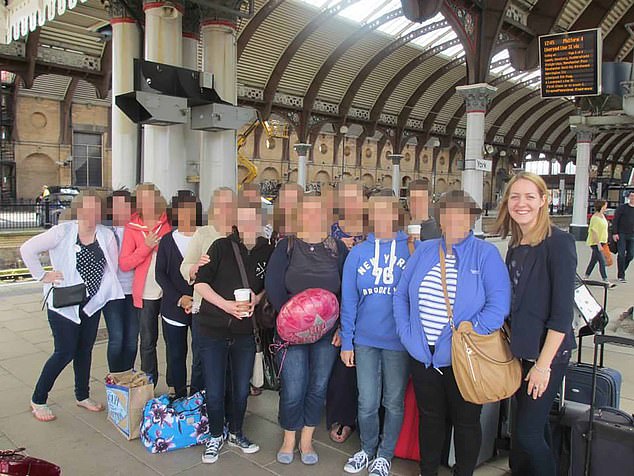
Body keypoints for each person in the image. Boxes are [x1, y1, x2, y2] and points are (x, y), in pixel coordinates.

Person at [394, 190, 510, 476]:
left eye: (462, 214)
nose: (455, 220)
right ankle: (428, 470)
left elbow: (499, 305)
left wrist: (476, 327)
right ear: (440, 218)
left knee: (467, 422)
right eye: (448, 213)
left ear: (472, 219)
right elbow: (400, 295)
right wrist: (408, 336)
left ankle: (464, 472)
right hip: (424, 356)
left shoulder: (485, 255)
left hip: (464, 359)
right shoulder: (424, 250)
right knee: (430, 418)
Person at [494, 171, 577, 476]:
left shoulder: (559, 243)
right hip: (522, 350)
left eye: (529, 196)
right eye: (515, 196)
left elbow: (562, 315)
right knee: (529, 430)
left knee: (527, 435)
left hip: (548, 355)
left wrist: (543, 366)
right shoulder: (517, 245)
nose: (521, 203)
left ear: (544, 200)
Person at [20, 190, 124, 422]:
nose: (91, 214)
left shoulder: (105, 235)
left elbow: (111, 269)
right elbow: (27, 249)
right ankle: (38, 398)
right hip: (64, 304)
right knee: (64, 351)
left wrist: (100, 298)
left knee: (84, 350)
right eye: (86, 209)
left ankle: (82, 395)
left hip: (91, 304)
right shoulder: (63, 231)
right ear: (78, 210)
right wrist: (42, 276)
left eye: (96, 209)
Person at [265, 195, 348, 465]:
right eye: (307, 212)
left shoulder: (336, 248)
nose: (313, 217)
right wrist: (294, 320)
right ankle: (289, 439)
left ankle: (307, 440)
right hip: (292, 333)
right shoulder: (286, 246)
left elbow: (347, 289)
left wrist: (342, 326)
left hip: (326, 333)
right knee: (293, 386)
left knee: (318, 386)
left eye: (318, 212)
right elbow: (274, 285)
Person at [194, 201, 274, 464]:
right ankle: (215, 434)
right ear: (237, 222)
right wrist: (226, 305)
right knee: (215, 388)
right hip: (212, 329)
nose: (251, 224)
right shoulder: (220, 247)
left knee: (241, 389)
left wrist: (257, 298)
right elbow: (201, 283)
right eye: (246, 219)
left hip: (244, 333)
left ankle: (236, 432)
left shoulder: (268, 251)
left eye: (256, 219)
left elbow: (268, 288)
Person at [340, 194, 411, 476]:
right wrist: (347, 341)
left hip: (398, 342)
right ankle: (367, 449)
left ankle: (385, 454)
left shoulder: (411, 249)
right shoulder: (357, 253)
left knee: (393, 401)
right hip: (365, 340)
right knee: (366, 401)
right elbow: (349, 300)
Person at [119, 183, 171, 385]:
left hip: (168, 292)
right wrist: (146, 247)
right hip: (146, 293)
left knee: (172, 341)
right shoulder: (131, 228)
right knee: (148, 342)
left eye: (150, 199)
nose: (147, 204)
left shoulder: (167, 225)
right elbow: (124, 263)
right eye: (142, 199)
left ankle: (175, 385)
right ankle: (149, 384)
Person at [155, 191, 204, 398]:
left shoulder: (205, 237)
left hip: (202, 304)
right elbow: (160, 274)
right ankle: (179, 394)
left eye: (191, 210)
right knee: (176, 353)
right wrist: (180, 298)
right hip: (173, 307)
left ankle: (197, 393)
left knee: (200, 353)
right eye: (182, 210)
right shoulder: (167, 241)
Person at [102, 190, 139, 372]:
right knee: (117, 339)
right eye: (116, 205)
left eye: (125, 205)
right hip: (112, 293)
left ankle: (128, 376)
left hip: (134, 291)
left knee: (132, 340)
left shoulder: (138, 230)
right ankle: (115, 378)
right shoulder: (104, 232)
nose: (121, 210)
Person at [583, 199, 614, 286]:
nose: (606, 207)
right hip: (596, 242)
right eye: (605, 205)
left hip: (603, 241)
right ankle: (605, 279)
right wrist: (598, 244)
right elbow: (594, 232)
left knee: (594, 260)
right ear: (601, 206)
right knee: (601, 260)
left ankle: (586, 276)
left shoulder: (603, 216)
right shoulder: (595, 218)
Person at [612, 190, 634, 283]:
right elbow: (615, 220)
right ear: (628, 197)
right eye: (632, 196)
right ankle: (621, 276)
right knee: (621, 254)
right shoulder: (622, 208)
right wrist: (614, 233)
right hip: (621, 234)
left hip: (632, 235)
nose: (633, 198)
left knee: (631, 255)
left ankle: (622, 270)